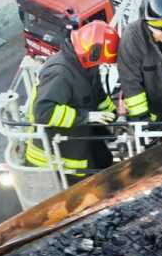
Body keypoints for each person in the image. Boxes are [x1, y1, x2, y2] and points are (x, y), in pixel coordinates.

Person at [25, 20, 119, 185]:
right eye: (101, 60)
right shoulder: (60, 73)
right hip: (60, 153)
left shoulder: (87, 65)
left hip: (83, 137)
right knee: (86, 189)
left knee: (105, 162)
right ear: (93, 52)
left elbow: (98, 96)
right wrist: (87, 117)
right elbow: (43, 112)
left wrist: (113, 116)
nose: (101, 64)